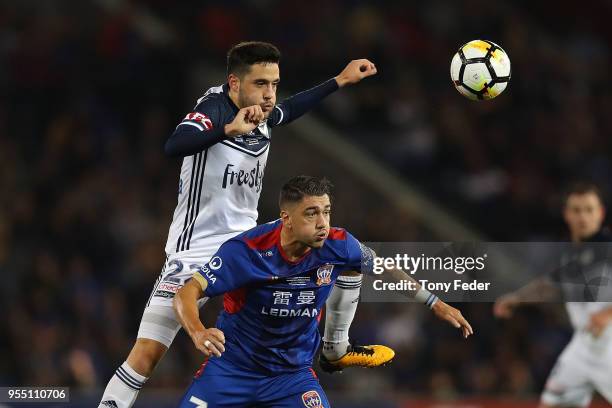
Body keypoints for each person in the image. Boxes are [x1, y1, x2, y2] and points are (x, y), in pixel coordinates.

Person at [99, 41, 390, 408]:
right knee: (146, 355)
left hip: (248, 245)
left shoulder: (264, 112)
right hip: (197, 251)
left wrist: (340, 80)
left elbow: (290, 109)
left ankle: (335, 348)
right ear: (234, 83)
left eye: (274, 83)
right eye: (260, 84)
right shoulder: (214, 107)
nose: (269, 95)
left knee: (343, 252)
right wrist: (226, 130)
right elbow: (175, 145)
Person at [174, 175, 473, 407]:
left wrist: (435, 302)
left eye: (327, 212)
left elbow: (382, 267)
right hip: (232, 371)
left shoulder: (337, 244)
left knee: (356, 263)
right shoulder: (246, 251)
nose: (323, 224)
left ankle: (336, 348)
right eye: (312, 214)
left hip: (291, 376)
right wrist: (198, 330)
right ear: (286, 219)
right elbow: (187, 292)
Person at [494, 182, 612, 407]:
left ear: (601, 213)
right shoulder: (569, 253)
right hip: (583, 346)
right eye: (577, 210)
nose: (583, 217)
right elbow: (549, 285)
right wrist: (516, 298)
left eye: (589, 209)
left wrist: (608, 313)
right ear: (566, 214)